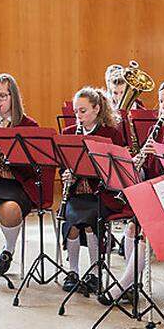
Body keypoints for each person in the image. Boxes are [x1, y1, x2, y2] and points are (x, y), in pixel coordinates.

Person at [100, 78, 164, 306]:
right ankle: (132, 285)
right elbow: (151, 170)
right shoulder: (160, 130)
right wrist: (138, 163)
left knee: (146, 231)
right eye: (160, 102)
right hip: (160, 193)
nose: (163, 107)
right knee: (132, 228)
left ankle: (121, 287)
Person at [0, 73, 50, 282]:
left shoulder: (28, 125)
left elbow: (35, 167)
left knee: (11, 210)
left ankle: (8, 251)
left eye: (3, 96)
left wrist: (8, 152)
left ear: (13, 97)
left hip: (18, 184)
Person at [60, 87, 126, 294]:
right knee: (70, 223)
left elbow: (118, 169)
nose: (78, 117)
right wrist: (66, 174)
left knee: (90, 223)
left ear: (97, 109)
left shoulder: (111, 134)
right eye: (76, 112)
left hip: (102, 194)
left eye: (83, 111)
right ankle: (73, 272)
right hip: (76, 193)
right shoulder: (69, 133)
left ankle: (95, 272)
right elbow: (62, 164)